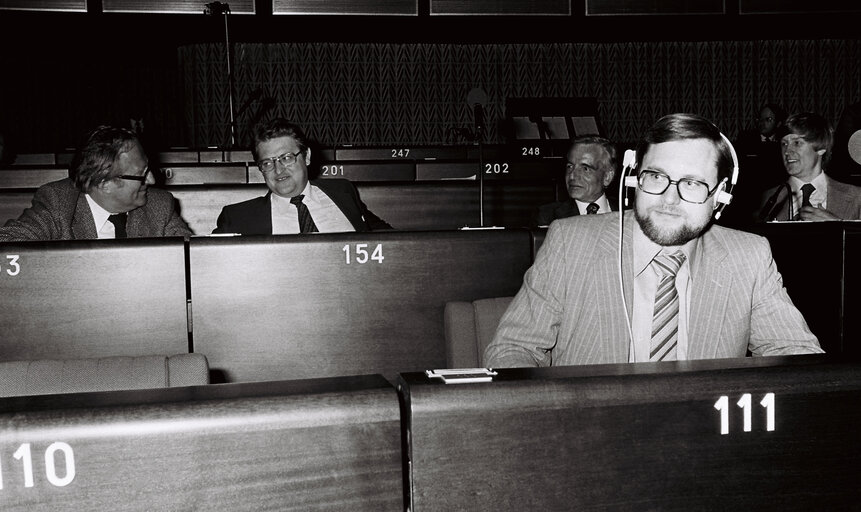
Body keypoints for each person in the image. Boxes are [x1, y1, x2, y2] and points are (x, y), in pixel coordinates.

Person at [484, 113, 822, 368]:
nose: (669, 199)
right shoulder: (569, 243)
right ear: (633, 179)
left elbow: (798, 358)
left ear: (719, 197)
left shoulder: (747, 256)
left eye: (691, 183)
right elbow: (513, 350)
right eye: (656, 177)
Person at [0, 125, 192, 242]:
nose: (152, 180)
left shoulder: (160, 205)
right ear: (103, 183)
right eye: (141, 175)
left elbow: (192, 257)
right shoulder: (58, 203)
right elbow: (10, 243)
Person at [213, 118, 391, 234]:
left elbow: (386, 237)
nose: (278, 169)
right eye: (267, 163)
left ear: (307, 157)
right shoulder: (238, 218)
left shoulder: (343, 192)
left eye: (286, 158)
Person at [756, 112, 861, 222]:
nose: (787, 151)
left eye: (797, 143)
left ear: (821, 149)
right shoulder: (770, 198)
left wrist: (837, 226)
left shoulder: (856, 197)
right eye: (784, 144)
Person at [722, 103, 788, 228]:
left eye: (768, 120)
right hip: (748, 197)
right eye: (760, 119)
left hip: (774, 197)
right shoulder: (746, 139)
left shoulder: (785, 142)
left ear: (779, 123)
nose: (762, 123)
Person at [533, 135, 620, 226]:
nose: (572, 176)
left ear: (607, 177)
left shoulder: (630, 213)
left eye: (585, 168)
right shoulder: (547, 216)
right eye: (570, 166)